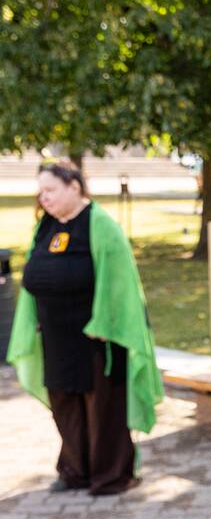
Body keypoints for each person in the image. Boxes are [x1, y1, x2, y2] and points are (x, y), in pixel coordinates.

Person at [7, 161, 163, 495]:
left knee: (102, 408)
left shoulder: (100, 224)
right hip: (55, 336)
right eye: (41, 191)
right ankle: (75, 470)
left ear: (74, 186)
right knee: (64, 403)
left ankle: (110, 475)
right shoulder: (47, 226)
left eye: (50, 190)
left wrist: (105, 320)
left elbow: (121, 281)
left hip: (96, 337)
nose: (44, 198)